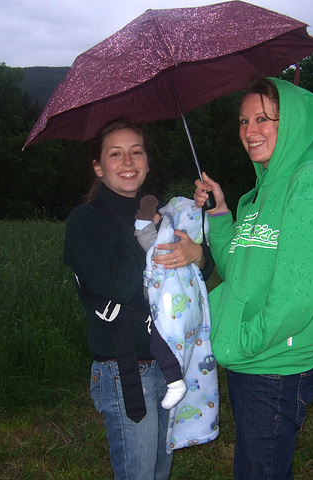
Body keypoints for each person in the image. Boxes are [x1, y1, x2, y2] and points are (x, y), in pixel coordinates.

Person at [194, 76, 313, 479]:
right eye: (243, 121)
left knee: (258, 471)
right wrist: (220, 213)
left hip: (274, 364)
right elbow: (237, 271)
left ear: (292, 123)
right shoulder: (262, 192)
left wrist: (242, 341)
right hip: (253, 361)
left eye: (263, 119)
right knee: (256, 466)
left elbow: (298, 295)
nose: (249, 131)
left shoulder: (310, 184)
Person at [63, 118, 213, 480]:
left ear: (147, 162)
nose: (128, 162)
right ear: (99, 167)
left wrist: (199, 254)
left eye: (136, 152)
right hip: (124, 369)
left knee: (160, 471)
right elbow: (122, 285)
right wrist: (142, 226)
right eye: (115, 154)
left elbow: (191, 279)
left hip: (168, 362)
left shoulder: (160, 212)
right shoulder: (86, 221)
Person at [134, 194, 187, 410]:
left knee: (159, 342)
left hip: (164, 301)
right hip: (179, 300)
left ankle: (175, 383)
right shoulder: (184, 243)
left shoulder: (160, 246)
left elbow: (141, 229)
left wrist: (148, 205)